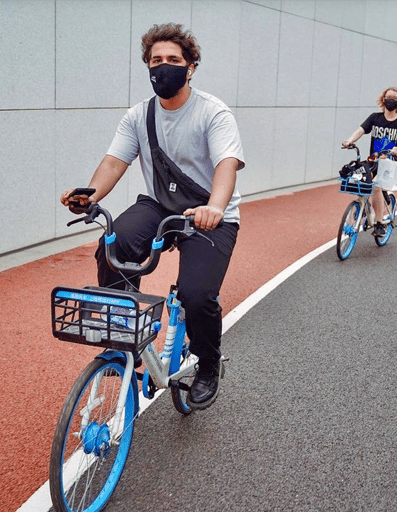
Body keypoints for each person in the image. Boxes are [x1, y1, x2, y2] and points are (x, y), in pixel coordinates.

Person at [60, 23, 245, 410]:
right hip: (160, 204)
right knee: (114, 245)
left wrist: (215, 207)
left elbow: (226, 165)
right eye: (156, 60)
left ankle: (208, 364)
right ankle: (122, 335)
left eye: (173, 60)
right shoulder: (138, 116)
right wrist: (90, 195)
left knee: (197, 295)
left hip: (209, 213)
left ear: (190, 67)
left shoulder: (213, 113)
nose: (163, 66)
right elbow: (114, 162)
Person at [342, 87, 397, 237]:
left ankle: (380, 224)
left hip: (392, 161)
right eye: (388, 97)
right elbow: (361, 130)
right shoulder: (375, 117)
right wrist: (350, 141)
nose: (391, 101)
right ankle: (368, 204)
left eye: (394, 98)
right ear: (383, 99)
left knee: (375, 185)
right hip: (374, 159)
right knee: (359, 177)